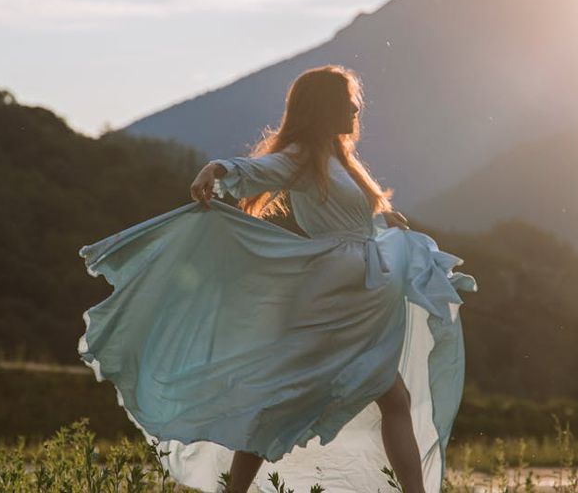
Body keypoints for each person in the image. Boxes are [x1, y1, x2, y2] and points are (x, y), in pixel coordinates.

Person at [77, 64, 478, 493]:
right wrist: (216, 170)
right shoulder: (304, 156)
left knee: (383, 396)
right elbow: (259, 170)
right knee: (289, 396)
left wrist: (383, 219)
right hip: (333, 297)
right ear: (325, 107)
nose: (356, 108)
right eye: (348, 102)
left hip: (360, 294)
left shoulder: (338, 158)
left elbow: (353, 215)